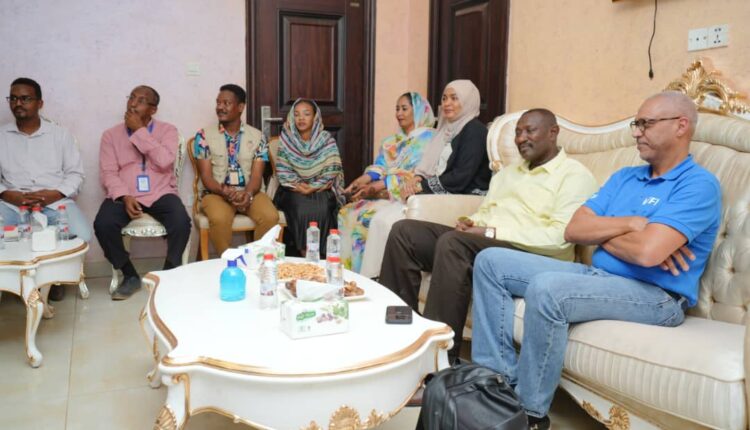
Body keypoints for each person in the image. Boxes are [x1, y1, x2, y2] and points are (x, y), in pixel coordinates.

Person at [470, 92, 721, 429]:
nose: (637, 132)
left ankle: (529, 413)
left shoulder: (698, 185)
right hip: (599, 275)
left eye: (646, 124)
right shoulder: (625, 177)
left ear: (681, 126)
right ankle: (497, 383)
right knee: (491, 261)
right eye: (636, 124)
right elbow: (574, 229)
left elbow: (647, 253)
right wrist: (632, 224)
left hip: (658, 296)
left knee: (547, 287)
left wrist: (605, 232)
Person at [379, 109, 598, 360]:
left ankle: (435, 358)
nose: (521, 138)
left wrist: (490, 232)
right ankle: (398, 336)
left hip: (532, 255)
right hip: (488, 243)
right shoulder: (508, 173)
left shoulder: (574, 176)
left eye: (529, 131)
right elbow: (485, 213)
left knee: (453, 244)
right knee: (405, 232)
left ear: (552, 133)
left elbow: (560, 238)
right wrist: (471, 223)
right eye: (518, 132)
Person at [357, 80, 492, 277]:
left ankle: (385, 280)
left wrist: (422, 186)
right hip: (438, 194)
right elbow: (430, 166)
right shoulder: (446, 130)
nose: (447, 103)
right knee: (380, 219)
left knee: (391, 223)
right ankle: (373, 280)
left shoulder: (474, 131)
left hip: (461, 198)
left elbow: (460, 177)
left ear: (468, 101)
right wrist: (416, 180)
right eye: (444, 98)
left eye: (454, 98)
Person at [93, 85, 191, 301]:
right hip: (125, 193)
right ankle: (129, 275)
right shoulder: (110, 135)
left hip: (160, 191)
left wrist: (139, 131)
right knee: (103, 224)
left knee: (181, 221)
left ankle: (168, 274)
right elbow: (108, 173)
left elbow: (165, 161)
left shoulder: (168, 131)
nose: (133, 104)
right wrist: (124, 196)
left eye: (141, 100)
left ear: (153, 109)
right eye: (131, 98)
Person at [0, 77, 91, 301]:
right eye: (13, 98)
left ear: (40, 103)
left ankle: (54, 279)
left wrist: (54, 194)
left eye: (25, 98)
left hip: (54, 202)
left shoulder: (60, 135)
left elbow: (76, 174)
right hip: (11, 203)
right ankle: (8, 282)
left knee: (81, 235)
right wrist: (8, 194)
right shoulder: (1, 136)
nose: (18, 103)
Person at [338, 92, 435, 273]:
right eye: (397, 109)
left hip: (403, 196)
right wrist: (362, 180)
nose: (399, 114)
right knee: (346, 212)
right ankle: (346, 273)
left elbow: (414, 175)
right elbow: (381, 166)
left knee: (364, 218)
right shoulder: (392, 141)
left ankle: (368, 276)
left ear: (419, 111)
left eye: (404, 109)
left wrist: (374, 187)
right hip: (382, 193)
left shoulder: (429, 138)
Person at [193, 84, 279, 256]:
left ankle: (256, 261)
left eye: (226, 103)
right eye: (218, 103)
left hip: (250, 191)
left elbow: (256, 176)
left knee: (270, 216)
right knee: (219, 218)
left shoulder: (258, 137)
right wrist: (225, 192)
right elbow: (206, 177)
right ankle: (228, 262)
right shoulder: (203, 136)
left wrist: (248, 194)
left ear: (240, 107)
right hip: (216, 193)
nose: (220, 107)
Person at [273, 98, 344, 257]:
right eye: (297, 114)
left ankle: (322, 255)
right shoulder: (287, 139)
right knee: (301, 207)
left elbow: (332, 170)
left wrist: (313, 187)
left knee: (323, 206)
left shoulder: (326, 140)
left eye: (306, 114)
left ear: (315, 117)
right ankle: (304, 253)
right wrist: (299, 186)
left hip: (321, 188)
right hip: (292, 189)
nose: (301, 118)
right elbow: (283, 170)